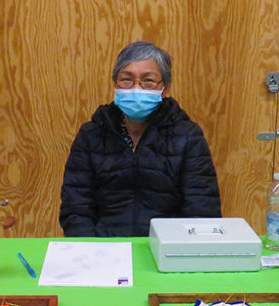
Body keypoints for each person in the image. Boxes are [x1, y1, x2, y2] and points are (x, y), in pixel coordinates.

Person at [59, 41, 221, 237]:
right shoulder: (92, 134)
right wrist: (92, 251)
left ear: (165, 88)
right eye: (126, 79)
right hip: (104, 250)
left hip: (167, 248)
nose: (136, 88)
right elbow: (76, 206)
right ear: (115, 84)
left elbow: (202, 209)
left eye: (148, 80)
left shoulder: (187, 136)